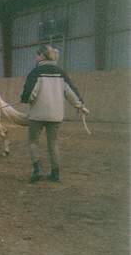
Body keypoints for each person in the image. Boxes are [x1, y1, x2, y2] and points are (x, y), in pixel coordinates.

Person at [20, 45, 89, 183]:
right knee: (53, 143)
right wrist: (80, 105)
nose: (36, 57)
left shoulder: (36, 72)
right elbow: (71, 92)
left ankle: (37, 169)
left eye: (37, 55)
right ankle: (55, 173)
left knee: (33, 142)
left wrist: (25, 99)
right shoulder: (61, 73)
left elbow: (29, 94)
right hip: (56, 115)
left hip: (37, 115)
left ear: (42, 56)